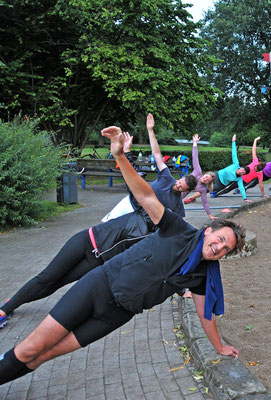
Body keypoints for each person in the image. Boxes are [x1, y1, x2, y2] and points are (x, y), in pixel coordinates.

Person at [0, 126, 246, 385]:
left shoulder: (201, 275)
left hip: (116, 314)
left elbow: (204, 314)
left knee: (43, 356)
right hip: (97, 287)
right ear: (208, 231)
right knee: (31, 349)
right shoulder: (177, 229)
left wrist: (219, 347)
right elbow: (144, 195)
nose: (219, 247)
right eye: (220, 239)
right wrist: (120, 156)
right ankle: (7, 309)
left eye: (225, 249)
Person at [0, 115, 197, 329]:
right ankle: (5, 309)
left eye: (182, 186)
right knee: (47, 277)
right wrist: (124, 152)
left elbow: (170, 251)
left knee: (56, 284)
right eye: (179, 182)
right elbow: (134, 183)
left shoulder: (159, 229)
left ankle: (12, 306)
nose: (177, 186)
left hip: (96, 261)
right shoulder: (143, 207)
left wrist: (181, 287)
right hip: (87, 241)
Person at [181, 134, 218, 219]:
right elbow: (195, 157)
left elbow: (205, 203)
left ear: (209, 183)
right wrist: (194, 143)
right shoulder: (198, 171)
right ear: (205, 174)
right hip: (177, 184)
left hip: (181, 195)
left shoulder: (203, 189)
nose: (205, 179)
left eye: (207, 180)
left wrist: (210, 215)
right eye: (206, 177)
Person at [211, 134, 252, 202]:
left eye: (243, 173)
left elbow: (241, 188)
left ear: (243, 175)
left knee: (206, 189)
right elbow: (234, 153)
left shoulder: (239, 179)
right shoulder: (236, 164)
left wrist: (245, 198)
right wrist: (233, 141)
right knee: (203, 180)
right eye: (242, 170)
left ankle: (191, 197)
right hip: (218, 175)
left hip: (221, 184)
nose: (241, 172)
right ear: (241, 167)